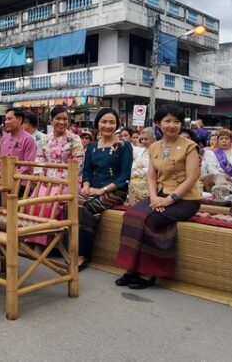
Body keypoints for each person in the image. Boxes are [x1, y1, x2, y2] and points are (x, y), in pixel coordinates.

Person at [115, 104, 201, 289]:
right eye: (167, 121)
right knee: (130, 215)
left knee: (149, 220)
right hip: (160, 194)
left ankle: (148, 272)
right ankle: (131, 267)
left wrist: (169, 200)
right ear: (158, 123)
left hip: (186, 200)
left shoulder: (190, 146)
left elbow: (192, 178)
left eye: (177, 121)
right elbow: (151, 176)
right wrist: (154, 198)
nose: (172, 125)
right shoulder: (154, 147)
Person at [80, 108, 132, 270]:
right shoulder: (92, 146)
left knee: (87, 208)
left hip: (115, 191)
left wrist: (101, 191)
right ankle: (69, 248)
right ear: (98, 124)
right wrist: (86, 186)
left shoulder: (124, 146)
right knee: (71, 205)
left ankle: (82, 255)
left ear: (117, 125)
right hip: (93, 189)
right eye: (104, 121)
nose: (107, 126)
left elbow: (124, 176)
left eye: (111, 122)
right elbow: (87, 171)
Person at [27, 105, 83, 245]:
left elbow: (78, 163)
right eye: (58, 118)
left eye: (65, 119)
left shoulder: (74, 139)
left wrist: (62, 181)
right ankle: (33, 239)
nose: (62, 122)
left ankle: (46, 243)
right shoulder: (45, 139)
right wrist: (41, 176)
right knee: (33, 201)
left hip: (68, 181)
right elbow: (39, 159)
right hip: (47, 180)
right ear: (51, 121)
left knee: (50, 202)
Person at [0, 108, 37, 178]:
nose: (6, 122)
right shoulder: (3, 139)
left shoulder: (28, 139)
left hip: (21, 180)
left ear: (20, 120)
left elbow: (28, 166)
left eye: (9, 119)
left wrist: (11, 176)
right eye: (5, 119)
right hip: (2, 179)